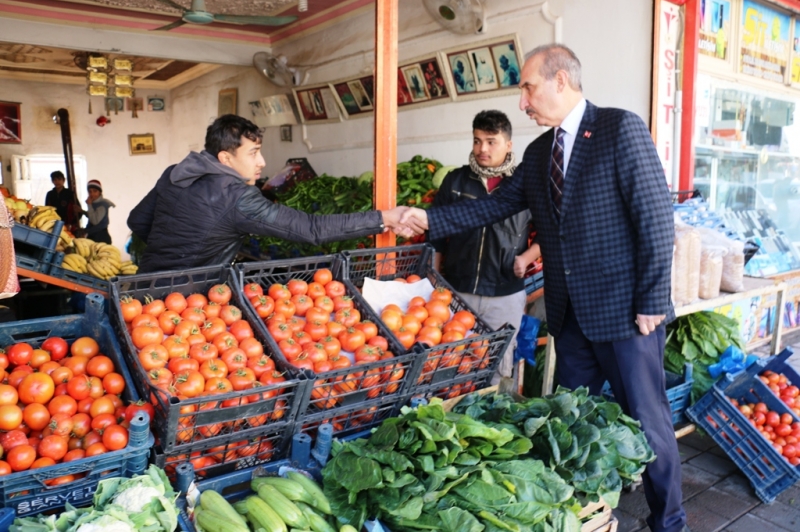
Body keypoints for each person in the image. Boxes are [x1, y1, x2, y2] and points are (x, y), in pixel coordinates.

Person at [400, 44, 686, 532]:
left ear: (560, 80)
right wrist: (427, 218)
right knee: (570, 425)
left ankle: (670, 522)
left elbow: (656, 218)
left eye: (528, 88)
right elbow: (492, 207)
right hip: (570, 317)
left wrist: (652, 300)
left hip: (626, 314)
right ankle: (580, 517)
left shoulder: (618, 129)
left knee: (648, 420)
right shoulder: (537, 154)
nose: (523, 102)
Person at [128, 114, 410, 273]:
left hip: (142, 287)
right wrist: (384, 217)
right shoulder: (237, 197)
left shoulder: (175, 173)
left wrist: (174, 248)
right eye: (253, 153)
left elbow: (137, 220)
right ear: (225, 158)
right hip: (185, 303)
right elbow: (311, 228)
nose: (262, 162)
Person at [431, 109, 539, 385]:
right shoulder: (455, 181)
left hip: (504, 294)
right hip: (458, 292)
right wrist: (434, 279)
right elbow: (435, 233)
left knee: (497, 370)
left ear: (508, 144)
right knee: (450, 367)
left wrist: (527, 257)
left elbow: (550, 231)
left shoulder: (526, 185)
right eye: (477, 141)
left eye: (491, 142)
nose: (482, 149)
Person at [83, 179, 114, 244]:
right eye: (90, 191)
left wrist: (89, 205)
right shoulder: (94, 203)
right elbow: (93, 215)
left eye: (95, 191)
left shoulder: (102, 204)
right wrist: (81, 211)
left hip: (100, 238)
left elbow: (95, 221)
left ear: (100, 192)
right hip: (93, 236)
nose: (92, 194)